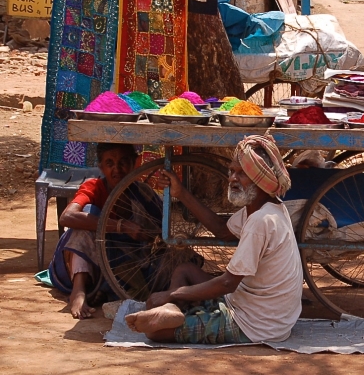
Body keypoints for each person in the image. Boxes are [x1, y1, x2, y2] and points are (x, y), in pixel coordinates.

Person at [125, 135, 303, 344]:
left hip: (256, 324)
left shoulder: (261, 221)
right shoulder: (268, 208)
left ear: (259, 179)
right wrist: (180, 192)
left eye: (242, 174)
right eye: (232, 171)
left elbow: (227, 283)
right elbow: (221, 229)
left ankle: (172, 310)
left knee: (155, 333)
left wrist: (173, 294)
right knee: (184, 270)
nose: (232, 179)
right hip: (250, 304)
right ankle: (172, 311)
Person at [48, 143, 161, 319]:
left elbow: (164, 227)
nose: (117, 169)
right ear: (101, 167)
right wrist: (120, 226)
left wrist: (148, 235)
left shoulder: (142, 193)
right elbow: (67, 217)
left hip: (119, 265)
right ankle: (78, 292)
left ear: (134, 163)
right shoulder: (94, 187)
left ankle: (102, 290)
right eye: (110, 163)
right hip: (81, 260)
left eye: (123, 162)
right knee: (88, 214)